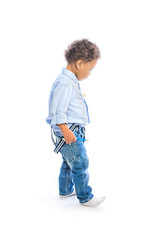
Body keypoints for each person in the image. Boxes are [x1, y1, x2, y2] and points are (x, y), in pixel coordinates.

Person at [46, 39, 105, 207]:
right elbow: (59, 111)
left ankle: (65, 190)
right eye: (90, 69)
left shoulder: (69, 82)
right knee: (80, 162)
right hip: (68, 132)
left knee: (68, 161)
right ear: (80, 63)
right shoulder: (65, 83)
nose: (90, 74)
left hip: (71, 131)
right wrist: (66, 131)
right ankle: (85, 196)